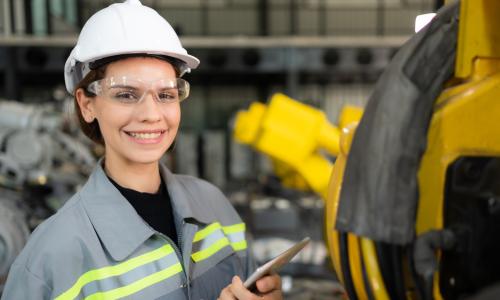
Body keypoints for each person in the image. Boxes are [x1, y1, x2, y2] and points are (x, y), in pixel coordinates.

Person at [1, 1, 282, 299]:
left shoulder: (213, 206)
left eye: (165, 94)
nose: (151, 114)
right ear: (87, 105)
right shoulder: (51, 256)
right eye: (126, 94)